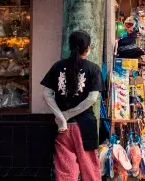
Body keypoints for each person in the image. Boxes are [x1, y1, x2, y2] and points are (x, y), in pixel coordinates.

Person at [42, 31, 104, 181]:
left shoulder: (58, 66)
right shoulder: (93, 68)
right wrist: (68, 114)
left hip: (63, 128)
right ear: (88, 48)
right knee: (90, 171)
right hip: (85, 127)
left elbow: (46, 94)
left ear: (70, 46)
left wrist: (61, 116)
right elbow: (92, 98)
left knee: (65, 172)